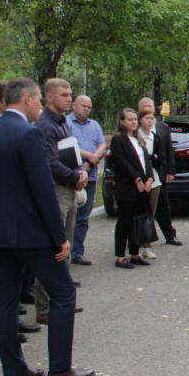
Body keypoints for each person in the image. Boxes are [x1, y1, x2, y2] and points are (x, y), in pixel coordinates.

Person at [0, 77, 94, 376]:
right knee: (64, 293)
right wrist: (60, 236)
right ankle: (60, 370)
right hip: (30, 233)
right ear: (27, 99)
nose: (39, 106)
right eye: (39, 100)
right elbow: (43, 191)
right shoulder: (29, 134)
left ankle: (15, 371)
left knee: (4, 300)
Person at [0, 80, 38, 340]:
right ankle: (6, 326)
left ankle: (9, 323)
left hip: (1, 220)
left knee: (7, 285)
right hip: (11, 221)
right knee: (1, 280)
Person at [33, 79, 87, 325]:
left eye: (70, 94)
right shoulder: (44, 125)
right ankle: (44, 307)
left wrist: (80, 172)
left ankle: (61, 299)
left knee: (63, 248)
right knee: (55, 248)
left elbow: (69, 153)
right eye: (64, 95)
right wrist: (76, 175)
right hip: (57, 190)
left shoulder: (62, 122)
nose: (68, 98)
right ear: (49, 97)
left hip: (69, 188)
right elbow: (50, 163)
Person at [108, 109, 154, 269]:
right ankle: (120, 257)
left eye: (135, 119)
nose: (134, 122)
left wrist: (150, 178)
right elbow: (121, 163)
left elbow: (147, 161)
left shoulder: (138, 138)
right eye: (130, 119)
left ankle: (135, 254)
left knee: (138, 222)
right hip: (128, 187)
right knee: (125, 222)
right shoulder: (118, 140)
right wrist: (137, 179)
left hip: (143, 187)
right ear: (122, 121)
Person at [66, 95, 106, 266]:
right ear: (74, 105)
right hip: (71, 175)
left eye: (89, 107)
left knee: (83, 217)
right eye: (83, 106)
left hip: (90, 177)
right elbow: (68, 146)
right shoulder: (65, 123)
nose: (86, 109)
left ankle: (77, 253)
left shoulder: (94, 125)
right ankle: (64, 253)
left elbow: (102, 146)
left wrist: (90, 162)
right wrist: (90, 157)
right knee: (68, 216)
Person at [138, 97, 181, 246]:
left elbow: (168, 150)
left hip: (159, 173)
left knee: (163, 205)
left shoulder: (163, 127)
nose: (147, 108)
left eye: (149, 106)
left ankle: (170, 235)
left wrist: (171, 171)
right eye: (144, 106)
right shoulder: (135, 130)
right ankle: (142, 236)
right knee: (142, 208)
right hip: (140, 175)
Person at [136, 107, 166, 260]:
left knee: (149, 214)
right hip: (136, 180)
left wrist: (150, 157)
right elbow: (136, 158)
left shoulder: (155, 137)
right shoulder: (135, 136)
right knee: (136, 213)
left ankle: (146, 248)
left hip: (154, 180)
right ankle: (133, 246)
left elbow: (160, 158)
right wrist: (150, 156)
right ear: (140, 120)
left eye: (152, 118)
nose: (150, 121)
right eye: (147, 118)